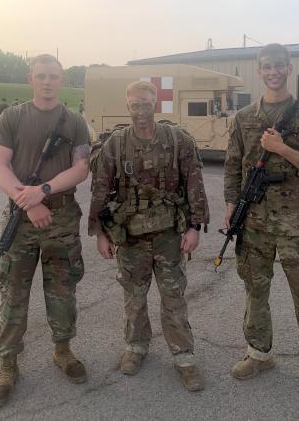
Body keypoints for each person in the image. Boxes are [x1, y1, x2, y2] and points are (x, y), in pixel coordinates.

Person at [224, 43, 299, 414]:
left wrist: (284, 150)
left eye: (279, 65)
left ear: (289, 68)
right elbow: (232, 165)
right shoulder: (244, 117)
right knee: (255, 291)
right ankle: (259, 354)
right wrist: (231, 206)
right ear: (258, 71)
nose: (273, 71)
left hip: (295, 224)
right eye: (266, 66)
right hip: (255, 222)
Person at [89, 80, 209, 391]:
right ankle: (136, 347)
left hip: (170, 235)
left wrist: (195, 227)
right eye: (135, 104)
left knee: (174, 297)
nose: (141, 110)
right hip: (130, 237)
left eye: (146, 103)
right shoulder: (116, 144)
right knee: (134, 297)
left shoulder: (177, 138)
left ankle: (184, 357)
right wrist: (100, 233)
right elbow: (100, 189)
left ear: (155, 103)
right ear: (127, 105)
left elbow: (194, 181)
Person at [0, 54, 90, 409]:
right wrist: (28, 202)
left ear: (62, 80)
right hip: (21, 217)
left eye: (54, 76)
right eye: (41, 75)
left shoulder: (74, 121)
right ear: (30, 78)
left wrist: (43, 192)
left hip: (61, 219)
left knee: (62, 290)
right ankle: (7, 365)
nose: (47, 81)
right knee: (13, 292)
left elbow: (81, 169)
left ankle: (63, 351)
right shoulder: (12, 117)